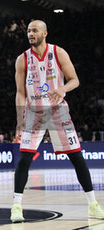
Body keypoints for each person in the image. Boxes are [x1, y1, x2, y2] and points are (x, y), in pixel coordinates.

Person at [11, 20, 104, 223]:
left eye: (35, 30)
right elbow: (19, 92)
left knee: (77, 158)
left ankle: (93, 204)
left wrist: (62, 89)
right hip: (33, 112)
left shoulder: (58, 52)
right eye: (28, 31)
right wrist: (20, 119)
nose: (30, 34)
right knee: (24, 159)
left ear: (45, 33)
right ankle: (16, 206)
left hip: (58, 112)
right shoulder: (22, 59)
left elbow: (74, 80)